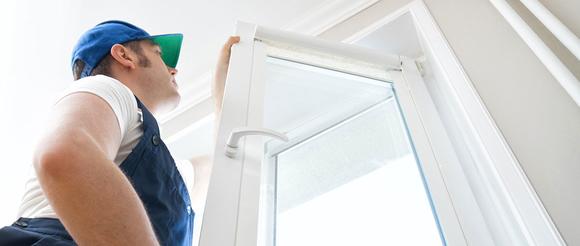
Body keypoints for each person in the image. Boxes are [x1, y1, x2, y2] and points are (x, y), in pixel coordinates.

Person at [0, 20, 239, 245]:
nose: (173, 70)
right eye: (158, 54)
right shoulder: (106, 87)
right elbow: (66, 154)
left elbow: (218, 173)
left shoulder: (155, 171)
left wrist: (224, 100)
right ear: (124, 56)